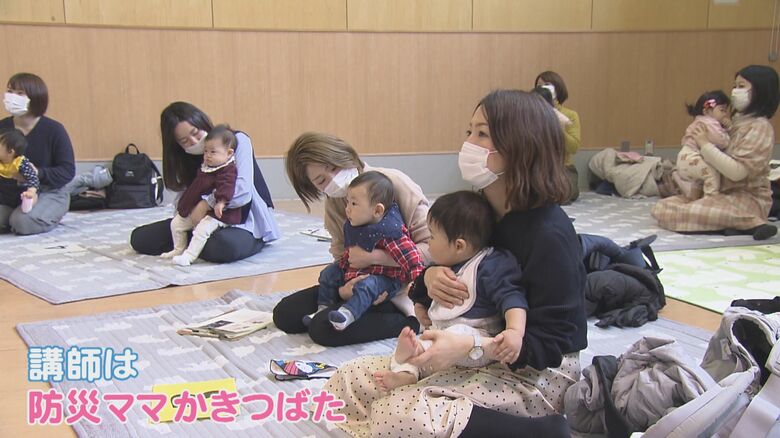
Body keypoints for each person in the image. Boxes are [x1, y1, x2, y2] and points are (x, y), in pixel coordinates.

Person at [324, 90, 586, 438]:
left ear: (520, 145)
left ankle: (542, 432)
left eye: (482, 134)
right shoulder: (477, 212)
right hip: (469, 352)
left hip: (532, 374)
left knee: (395, 415)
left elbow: (553, 346)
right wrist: (430, 277)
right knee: (347, 382)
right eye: (469, 131)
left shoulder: (550, 234)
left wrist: (476, 347)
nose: (469, 144)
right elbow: (428, 270)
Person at [272, 132, 431, 346]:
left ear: (344, 154)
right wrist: (342, 290)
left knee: (322, 328)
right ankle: (347, 307)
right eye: (321, 181)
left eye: (334, 167)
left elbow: (433, 250)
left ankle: (410, 322)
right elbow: (341, 255)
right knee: (285, 314)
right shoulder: (335, 204)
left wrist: (376, 258)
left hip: (399, 287)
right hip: (356, 280)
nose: (333, 179)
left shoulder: (392, 183)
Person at [373, 190, 527, 392]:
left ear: (459, 245)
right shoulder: (445, 265)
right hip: (443, 339)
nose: (428, 242)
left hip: (475, 342)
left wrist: (515, 331)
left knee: (454, 333)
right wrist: (421, 307)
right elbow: (422, 294)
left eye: (432, 236)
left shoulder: (490, 265)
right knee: (417, 339)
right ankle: (405, 373)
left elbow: (512, 298)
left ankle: (416, 354)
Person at [130, 102, 279, 262]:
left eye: (195, 133)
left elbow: (242, 192)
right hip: (201, 221)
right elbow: (185, 198)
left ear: (203, 122)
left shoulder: (236, 140)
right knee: (140, 238)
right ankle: (193, 243)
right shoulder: (186, 157)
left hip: (243, 217)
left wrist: (207, 203)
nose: (194, 141)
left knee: (223, 246)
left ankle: (196, 244)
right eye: (184, 141)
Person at [652, 65, 779, 241]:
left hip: (746, 198)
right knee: (663, 208)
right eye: (735, 86)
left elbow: (737, 172)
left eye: (741, 86)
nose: (735, 91)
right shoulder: (734, 122)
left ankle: (751, 222)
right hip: (722, 193)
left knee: (686, 213)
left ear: (760, 90)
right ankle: (734, 226)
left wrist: (704, 144)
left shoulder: (760, 127)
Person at [311, 171, 424, 331]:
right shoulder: (355, 223)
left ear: (377, 210)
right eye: (347, 203)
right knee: (328, 273)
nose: (347, 209)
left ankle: (347, 314)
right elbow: (347, 254)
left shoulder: (389, 230)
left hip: (385, 280)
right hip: (356, 273)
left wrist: (418, 289)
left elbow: (412, 260)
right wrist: (343, 277)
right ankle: (322, 308)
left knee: (367, 285)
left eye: (354, 204)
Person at [0, 73, 75, 235]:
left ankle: (43, 214)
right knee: (13, 218)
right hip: (8, 195)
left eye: (20, 93)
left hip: (48, 192)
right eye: (10, 91)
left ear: (35, 98)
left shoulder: (54, 130)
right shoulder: (2, 128)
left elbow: (67, 171)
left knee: (22, 222)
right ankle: (11, 218)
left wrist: (38, 173)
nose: (12, 97)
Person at [161, 125, 242, 266]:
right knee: (176, 224)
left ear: (229, 153)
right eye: (205, 151)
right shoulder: (206, 168)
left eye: (213, 152)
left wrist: (221, 202)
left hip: (218, 214)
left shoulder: (227, 170)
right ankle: (178, 249)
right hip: (197, 211)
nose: (208, 155)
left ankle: (189, 256)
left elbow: (227, 187)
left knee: (201, 230)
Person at [674, 90, 732, 199]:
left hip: (686, 158)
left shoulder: (700, 121)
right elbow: (721, 141)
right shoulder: (710, 123)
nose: (725, 114)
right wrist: (729, 130)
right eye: (722, 110)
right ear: (706, 111)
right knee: (712, 173)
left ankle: (693, 198)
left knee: (700, 179)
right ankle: (711, 199)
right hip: (692, 157)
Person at [535, 71, 581, 202]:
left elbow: (574, 147)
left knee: (561, 194)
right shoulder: (532, 114)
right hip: (539, 169)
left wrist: (557, 124)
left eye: (547, 85)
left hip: (563, 169)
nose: (543, 88)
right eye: (539, 86)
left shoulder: (570, 115)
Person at [0, 129, 39, 213]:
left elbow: (33, 178)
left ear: (10, 152)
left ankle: (28, 202)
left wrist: (31, 191)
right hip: (4, 194)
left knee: (31, 195)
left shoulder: (21, 163)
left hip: (20, 193)